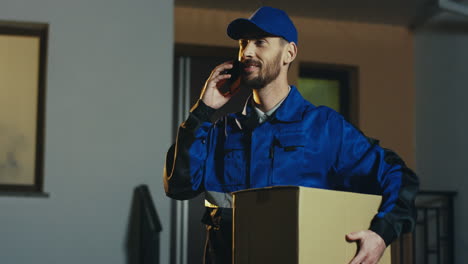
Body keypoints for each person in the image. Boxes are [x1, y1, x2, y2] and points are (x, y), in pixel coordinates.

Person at [164, 6, 418, 264]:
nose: (247, 52)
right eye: (243, 43)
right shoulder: (222, 132)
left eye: (260, 42)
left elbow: (398, 177)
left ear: (289, 53)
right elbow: (178, 186)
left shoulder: (323, 127)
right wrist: (203, 111)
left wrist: (381, 235)